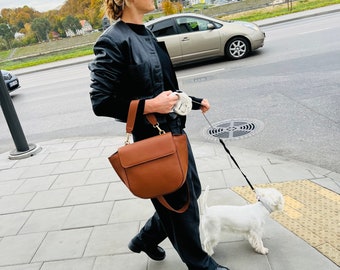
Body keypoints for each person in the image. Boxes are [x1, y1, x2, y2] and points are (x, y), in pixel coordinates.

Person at [89, 0, 230, 269]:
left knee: (190, 192)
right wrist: (151, 106)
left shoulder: (145, 32)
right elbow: (101, 101)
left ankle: (145, 238)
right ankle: (201, 264)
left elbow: (160, 85)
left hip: (174, 129)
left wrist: (193, 100)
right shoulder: (113, 40)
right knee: (182, 203)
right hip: (154, 135)